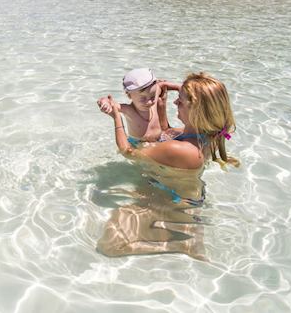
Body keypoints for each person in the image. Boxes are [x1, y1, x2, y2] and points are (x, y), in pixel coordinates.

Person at [95, 72, 238, 258]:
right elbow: (166, 134)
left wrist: (116, 117)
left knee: (109, 246)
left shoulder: (183, 151)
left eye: (181, 101)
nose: (175, 103)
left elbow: (127, 152)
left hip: (171, 207)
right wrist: (162, 107)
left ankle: (179, 245)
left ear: (196, 110)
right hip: (185, 198)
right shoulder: (206, 134)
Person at [96, 68, 181, 144]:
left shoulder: (153, 98)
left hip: (161, 138)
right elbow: (111, 103)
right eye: (142, 99)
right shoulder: (129, 110)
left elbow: (162, 85)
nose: (149, 102)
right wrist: (104, 102)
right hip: (139, 144)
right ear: (129, 95)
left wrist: (179, 87)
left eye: (152, 96)